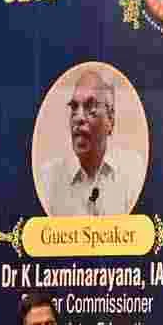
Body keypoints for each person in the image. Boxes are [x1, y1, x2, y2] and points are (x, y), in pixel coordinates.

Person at [37, 70, 146, 216]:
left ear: (110, 119)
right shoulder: (48, 179)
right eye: (74, 107)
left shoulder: (133, 172)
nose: (79, 118)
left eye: (90, 108)